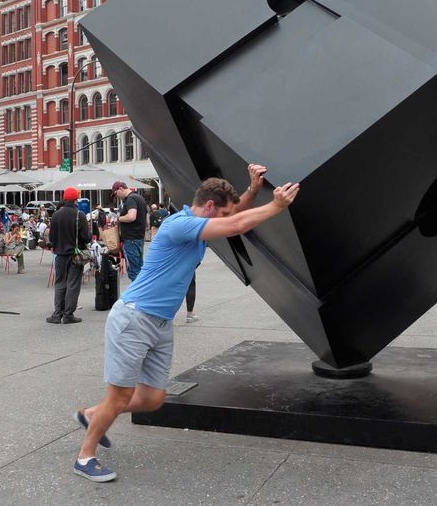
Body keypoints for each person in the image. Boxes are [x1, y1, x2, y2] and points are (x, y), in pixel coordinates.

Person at [71, 164, 292, 482]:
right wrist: (275, 206)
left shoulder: (200, 222)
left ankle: (91, 414)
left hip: (159, 324)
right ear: (211, 207)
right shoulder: (181, 225)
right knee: (119, 396)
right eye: (222, 212)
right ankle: (85, 456)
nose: (225, 217)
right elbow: (235, 224)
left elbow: (234, 215)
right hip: (134, 318)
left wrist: (254, 190)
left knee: (152, 399)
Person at [47, 187, 91, 325]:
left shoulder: (56, 215)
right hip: (75, 255)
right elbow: (87, 238)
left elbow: (52, 237)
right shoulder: (80, 215)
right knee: (73, 284)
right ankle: (68, 315)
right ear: (76, 199)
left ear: (64, 198)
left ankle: (57, 314)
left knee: (60, 283)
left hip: (59, 254)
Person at [112, 182, 148, 281]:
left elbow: (131, 216)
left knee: (134, 271)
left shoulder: (130, 199)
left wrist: (118, 219)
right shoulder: (139, 198)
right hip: (138, 238)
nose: (117, 196)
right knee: (139, 269)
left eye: (115, 193)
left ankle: (137, 295)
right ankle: (141, 293)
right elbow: (146, 220)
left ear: (120, 189)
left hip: (131, 239)